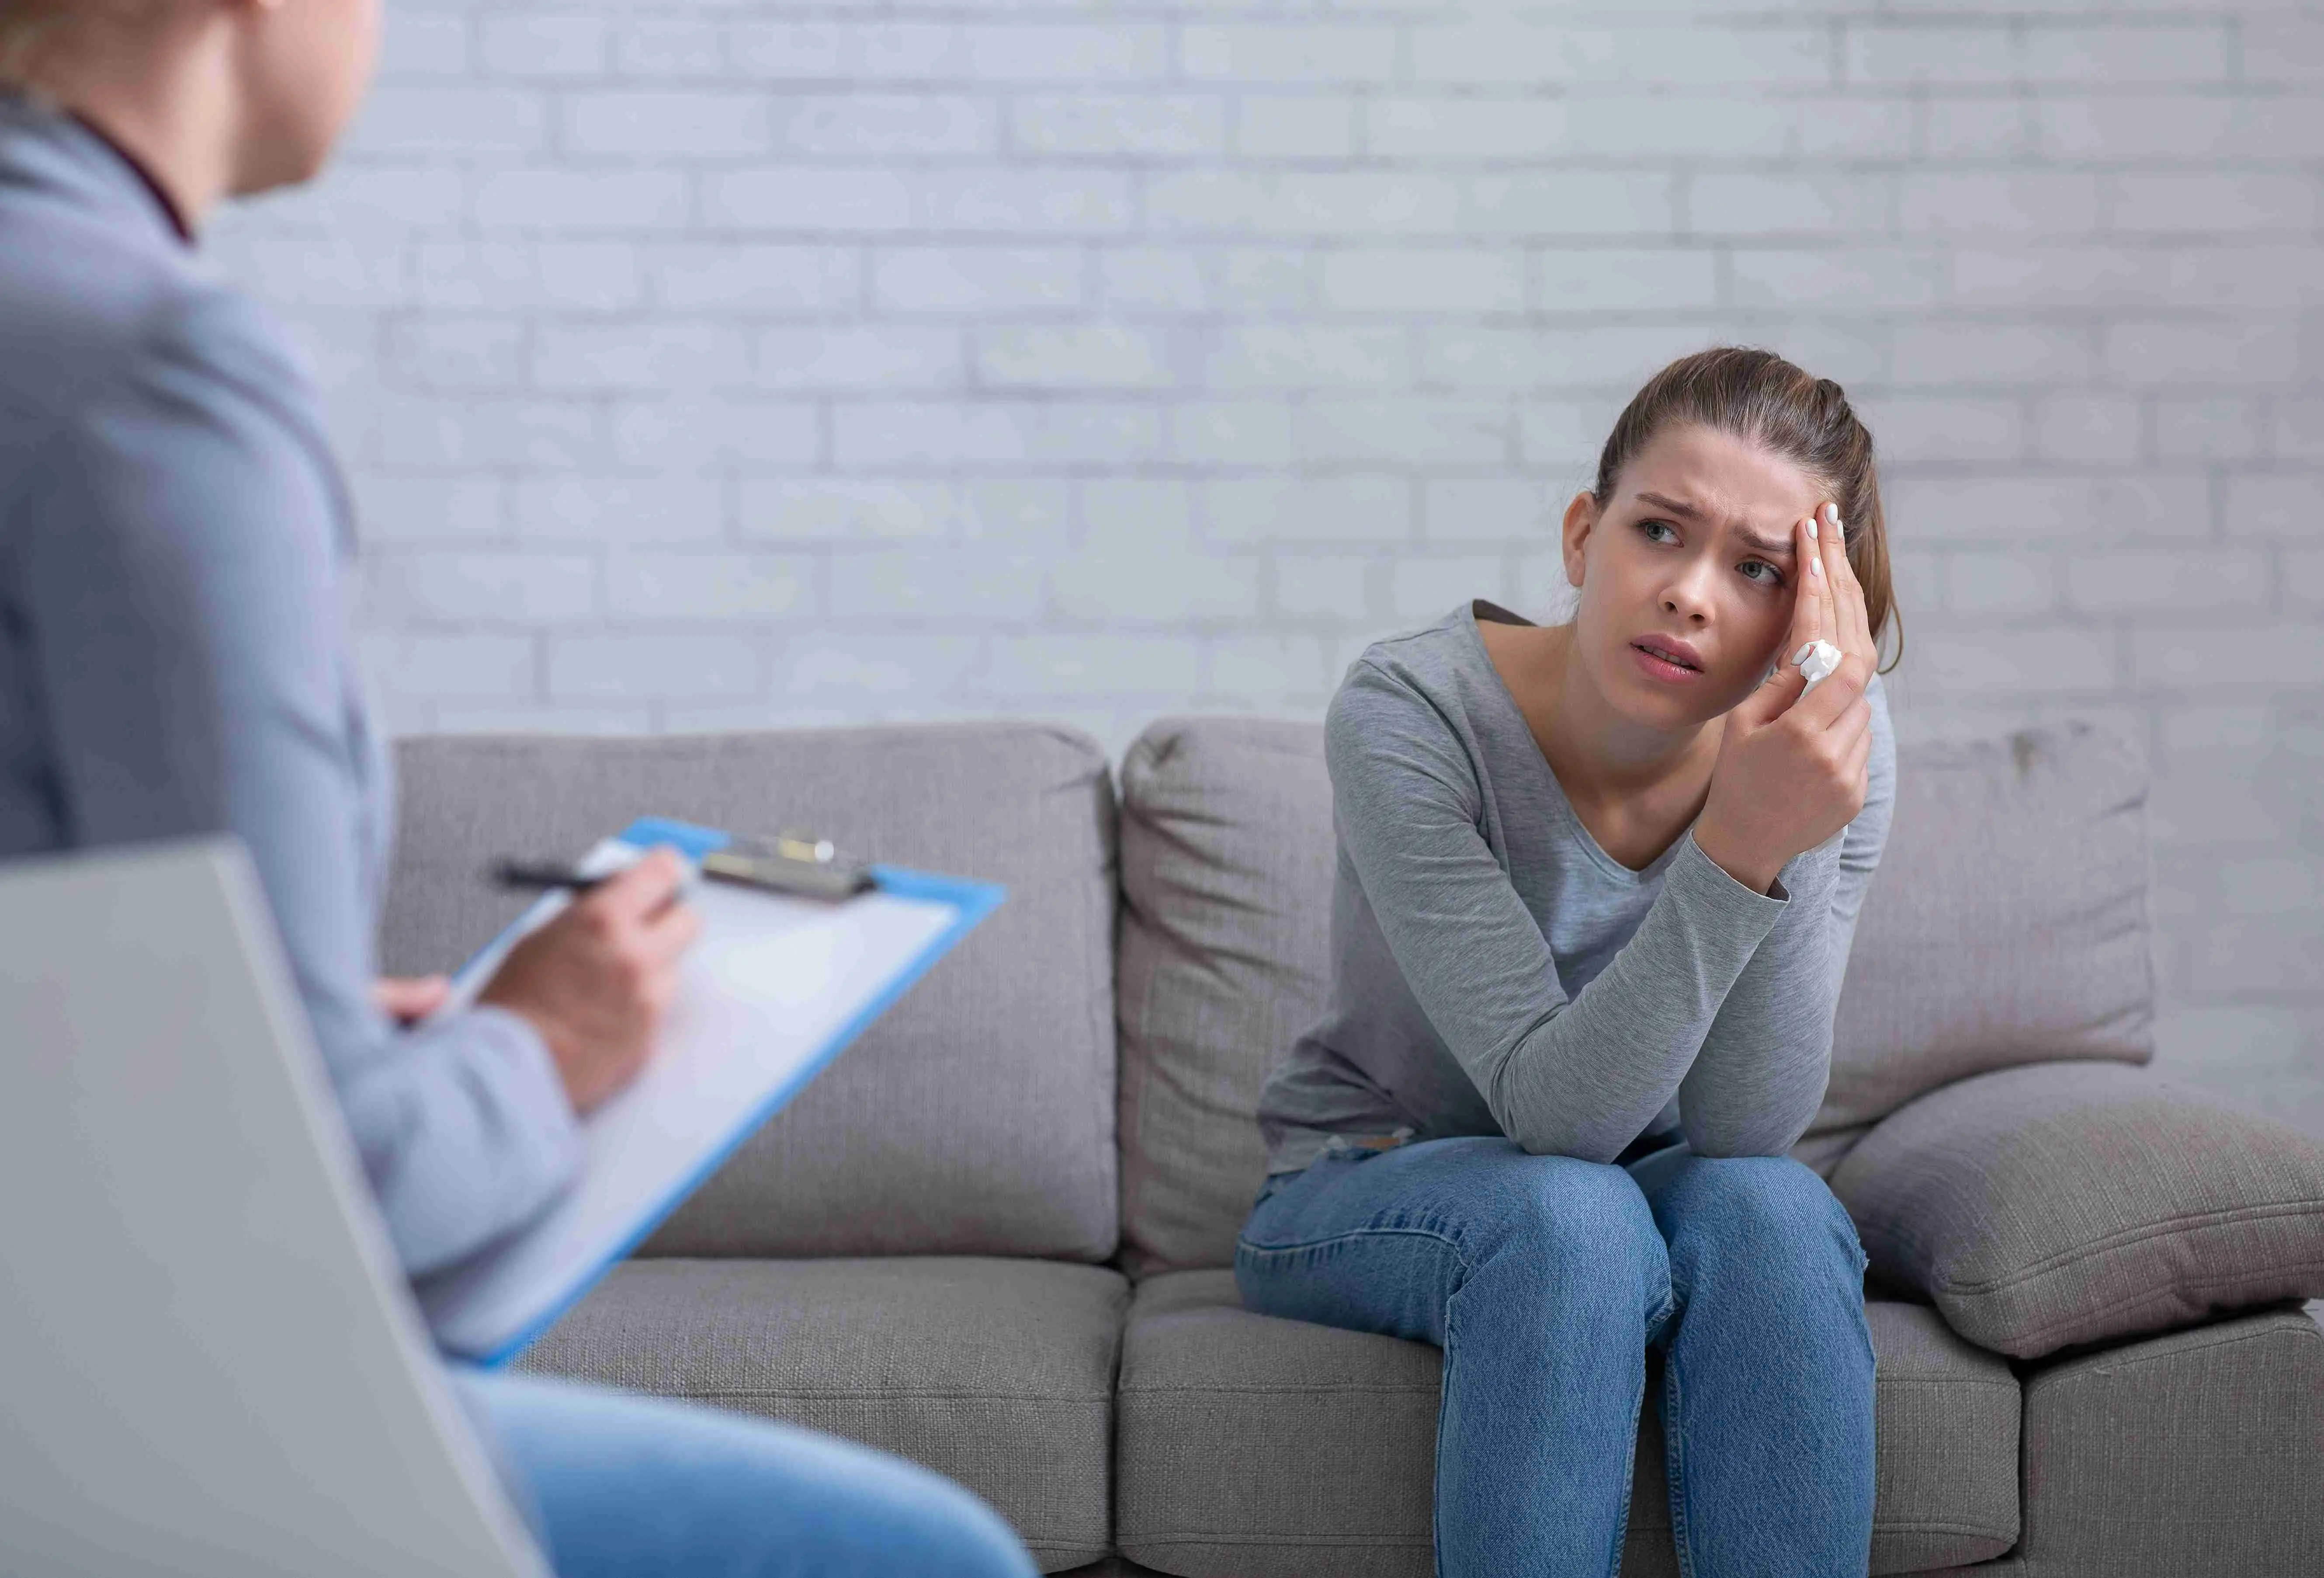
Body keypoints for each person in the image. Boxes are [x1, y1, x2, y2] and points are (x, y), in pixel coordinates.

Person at [0, 4, 1037, 1575]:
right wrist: (542, 1044)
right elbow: (315, 1216)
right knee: (923, 1557)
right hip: (91, 1420)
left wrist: (310, 1032)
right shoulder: (155, 376)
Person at [1238, 347, 1902, 1576]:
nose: (1691, 594)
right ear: (1582, 535)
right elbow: (1560, 1120)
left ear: (1807, 617)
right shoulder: (1409, 710)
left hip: (1644, 1181)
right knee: (1571, 1219)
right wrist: (1736, 849)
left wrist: (1779, 828)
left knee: (1776, 1210)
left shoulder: (1832, 764)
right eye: (1660, 531)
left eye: (1756, 569)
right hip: (1372, 1173)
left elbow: (1746, 1129)